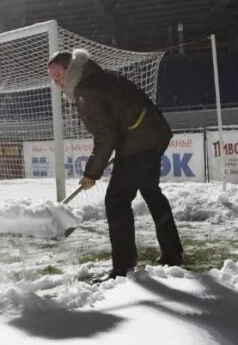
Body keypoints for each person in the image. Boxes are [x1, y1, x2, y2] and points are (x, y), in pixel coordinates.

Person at [47, 49, 184, 280]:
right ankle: (172, 252)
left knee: (116, 200)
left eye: (58, 74)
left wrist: (91, 173)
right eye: (52, 78)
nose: (56, 81)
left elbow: (106, 134)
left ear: (70, 69)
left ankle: (122, 268)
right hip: (153, 133)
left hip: (140, 139)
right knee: (150, 191)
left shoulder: (86, 89)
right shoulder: (96, 77)